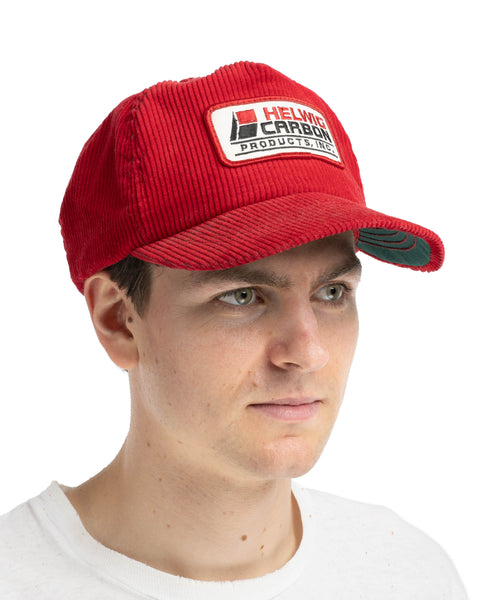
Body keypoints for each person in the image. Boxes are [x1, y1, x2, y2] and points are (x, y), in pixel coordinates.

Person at [0, 61, 468, 598]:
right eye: (242, 296)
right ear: (118, 321)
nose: (309, 352)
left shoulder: (410, 574)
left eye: (332, 292)